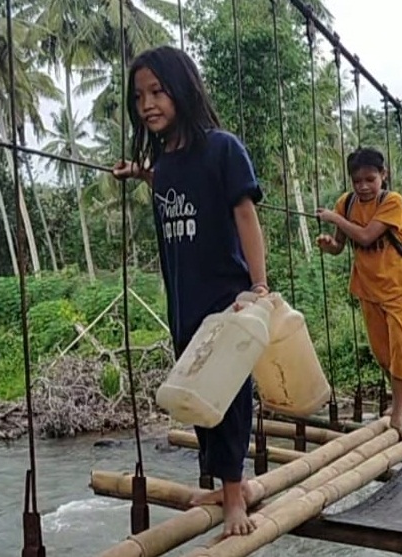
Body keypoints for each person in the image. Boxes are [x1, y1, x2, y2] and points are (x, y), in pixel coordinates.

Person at [111, 45, 265, 537]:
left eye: (157, 91)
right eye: (139, 97)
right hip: (183, 301)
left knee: (230, 396)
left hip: (226, 296)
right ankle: (225, 486)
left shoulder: (222, 148)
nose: (148, 104)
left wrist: (258, 287)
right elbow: (178, 185)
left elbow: (245, 215)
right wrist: (143, 175)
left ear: (183, 89)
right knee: (198, 394)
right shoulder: (166, 165)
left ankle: (235, 496)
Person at [314, 147, 402, 439]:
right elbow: (341, 245)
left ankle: (398, 413)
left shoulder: (393, 202)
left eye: (370, 179)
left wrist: (335, 220)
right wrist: (329, 244)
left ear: (383, 176)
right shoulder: (346, 204)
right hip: (368, 288)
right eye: (357, 180)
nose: (363, 186)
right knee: (382, 352)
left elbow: (364, 235)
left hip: (400, 287)